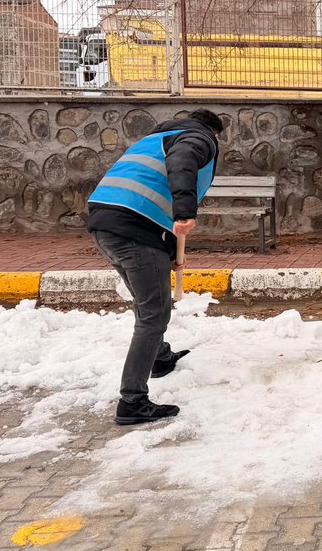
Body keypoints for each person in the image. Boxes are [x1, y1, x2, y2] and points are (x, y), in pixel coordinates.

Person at [86, 109, 223, 426]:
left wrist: (170, 250)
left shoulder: (154, 138)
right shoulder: (197, 137)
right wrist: (185, 212)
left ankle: (159, 358)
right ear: (214, 134)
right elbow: (183, 162)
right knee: (154, 312)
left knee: (146, 301)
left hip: (109, 224)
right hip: (133, 229)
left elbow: (149, 191)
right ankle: (132, 401)